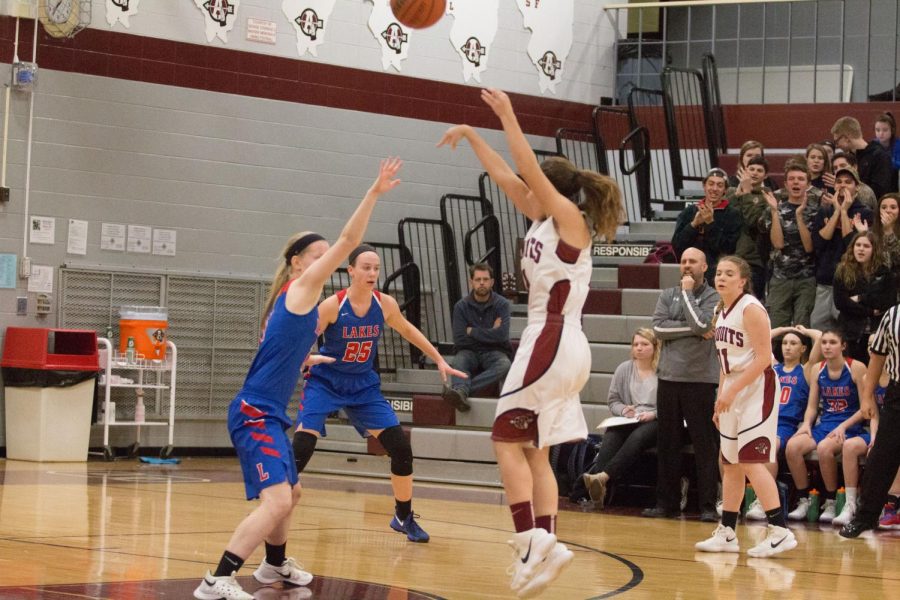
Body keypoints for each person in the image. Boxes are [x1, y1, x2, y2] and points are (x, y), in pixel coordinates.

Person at [438, 87, 623, 598]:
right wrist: (475, 135)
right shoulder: (540, 216)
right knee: (535, 453)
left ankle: (527, 542)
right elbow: (505, 175)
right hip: (557, 344)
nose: (525, 184)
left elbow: (523, 163)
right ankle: (547, 547)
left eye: (534, 182)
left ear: (549, 186)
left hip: (553, 339)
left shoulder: (569, 221)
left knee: (503, 440)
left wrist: (507, 114)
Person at [193, 158, 403, 600]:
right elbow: (349, 240)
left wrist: (309, 360)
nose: (325, 258)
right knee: (279, 501)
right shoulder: (302, 289)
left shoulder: (296, 304)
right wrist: (374, 193)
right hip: (254, 413)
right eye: (317, 253)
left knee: (293, 491)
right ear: (297, 263)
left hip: (267, 410)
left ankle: (273, 566)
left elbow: (276, 350)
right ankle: (218, 580)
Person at [292, 244, 467, 543]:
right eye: (366, 268)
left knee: (400, 447)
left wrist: (438, 358)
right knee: (303, 446)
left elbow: (408, 330)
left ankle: (403, 516)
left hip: (363, 386)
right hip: (326, 382)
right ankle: (276, 503)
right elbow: (300, 339)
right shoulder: (332, 305)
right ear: (351, 271)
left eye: (376, 268)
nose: (373, 273)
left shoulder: (384, 304)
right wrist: (304, 359)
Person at [694, 256, 797, 557]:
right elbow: (725, 363)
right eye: (719, 273)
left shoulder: (751, 308)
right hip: (734, 389)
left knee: (751, 460)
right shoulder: (721, 311)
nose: (721, 277)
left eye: (729, 273)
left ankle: (780, 530)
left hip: (757, 387)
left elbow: (764, 358)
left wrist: (734, 390)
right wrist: (721, 397)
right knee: (730, 463)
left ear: (742, 281)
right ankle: (727, 532)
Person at [643, 247, 721, 522]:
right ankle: (666, 504)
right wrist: (693, 330)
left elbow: (704, 324)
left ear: (704, 267)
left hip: (700, 380)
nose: (687, 266)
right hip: (668, 378)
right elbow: (659, 330)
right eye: (684, 261)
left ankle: (708, 506)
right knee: (668, 444)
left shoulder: (714, 296)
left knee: (705, 446)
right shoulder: (667, 294)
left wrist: (688, 296)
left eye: (693, 262)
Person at [784, 329, 867, 523]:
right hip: (825, 425)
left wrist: (843, 426)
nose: (827, 346)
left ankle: (831, 501)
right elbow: (812, 406)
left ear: (843, 346)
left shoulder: (856, 367)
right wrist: (806, 424)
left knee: (824, 449)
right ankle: (804, 500)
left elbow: (865, 409)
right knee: (792, 447)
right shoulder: (817, 369)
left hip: (849, 426)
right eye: (824, 343)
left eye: (832, 342)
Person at [575, 328, 659, 508]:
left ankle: (601, 478)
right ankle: (601, 492)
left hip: (657, 419)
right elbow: (613, 401)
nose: (639, 348)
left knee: (638, 437)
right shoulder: (624, 369)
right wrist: (623, 410)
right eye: (635, 344)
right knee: (612, 434)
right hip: (632, 418)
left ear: (655, 347)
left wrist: (653, 414)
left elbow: (672, 404)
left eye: (644, 344)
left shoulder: (664, 370)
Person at [841, 307, 900, 538]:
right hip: (897, 393)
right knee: (880, 458)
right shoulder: (893, 315)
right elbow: (877, 358)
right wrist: (867, 396)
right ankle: (865, 517)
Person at [442, 262, 513, 412]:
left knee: (504, 365)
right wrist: (490, 331)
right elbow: (460, 338)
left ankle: (461, 391)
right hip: (468, 352)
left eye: (486, 279)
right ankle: (460, 391)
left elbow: (502, 335)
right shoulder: (461, 306)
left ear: (492, 282)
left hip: (494, 352)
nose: (482, 283)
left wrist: (472, 331)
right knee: (459, 361)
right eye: (478, 279)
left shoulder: (502, 304)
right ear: (471, 282)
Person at [810, 166, 874, 331]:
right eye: (839, 182)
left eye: (848, 182)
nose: (842, 186)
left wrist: (844, 211)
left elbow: (852, 245)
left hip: (849, 282)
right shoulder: (825, 210)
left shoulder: (865, 213)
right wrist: (837, 212)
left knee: (843, 329)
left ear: (857, 187)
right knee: (818, 326)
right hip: (825, 280)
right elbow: (819, 243)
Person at [833, 335, 887, 526]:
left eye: (876, 346)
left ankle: (886, 505)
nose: (872, 350)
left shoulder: (895, 375)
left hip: (893, 432)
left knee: (884, 452)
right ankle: (850, 504)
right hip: (877, 429)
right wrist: (874, 437)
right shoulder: (867, 377)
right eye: (870, 346)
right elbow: (873, 414)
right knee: (849, 446)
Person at [762, 165, 817, 328]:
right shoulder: (775, 209)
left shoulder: (816, 211)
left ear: (807, 185)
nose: (796, 182)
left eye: (801, 179)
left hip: (806, 277)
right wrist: (774, 211)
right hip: (780, 277)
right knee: (776, 326)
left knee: (803, 327)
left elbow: (809, 247)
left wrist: (799, 216)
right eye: (792, 179)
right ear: (785, 184)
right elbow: (778, 243)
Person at [832, 231, 895, 363]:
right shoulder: (842, 271)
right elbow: (841, 303)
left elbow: (886, 301)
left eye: (866, 246)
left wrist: (860, 298)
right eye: (858, 245)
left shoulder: (883, 272)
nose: (861, 249)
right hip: (850, 330)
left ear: (874, 250)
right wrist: (870, 311)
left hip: (875, 332)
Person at [672, 168, 742, 286]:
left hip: (717, 274)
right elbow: (677, 245)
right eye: (711, 184)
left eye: (720, 185)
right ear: (704, 186)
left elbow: (727, 249)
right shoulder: (689, 212)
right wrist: (693, 225)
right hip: (690, 274)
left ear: (725, 190)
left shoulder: (733, 215)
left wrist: (710, 223)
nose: (714, 189)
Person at [727, 155, 771, 299]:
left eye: (759, 170)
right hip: (733, 256)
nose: (754, 173)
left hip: (754, 260)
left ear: (765, 175)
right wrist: (737, 196)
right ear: (744, 170)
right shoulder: (732, 193)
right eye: (751, 169)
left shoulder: (767, 196)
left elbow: (752, 222)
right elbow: (730, 220)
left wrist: (747, 194)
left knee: (752, 301)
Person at [832, 115, 896, 199]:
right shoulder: (851, 157)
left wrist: (843, 184)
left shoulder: (880, 156)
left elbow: (879, 192)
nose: (837, 145)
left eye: (837, 141)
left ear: (846, 138)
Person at [872, 193, 900, 270]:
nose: (888, 211)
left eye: (893, 207)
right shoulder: (872, 231)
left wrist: (889, 231)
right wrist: (863, 233)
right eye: (884, 207)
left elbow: (893, 262)